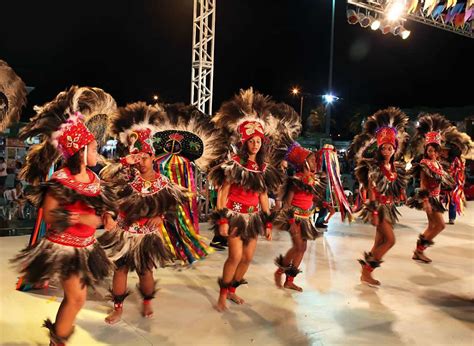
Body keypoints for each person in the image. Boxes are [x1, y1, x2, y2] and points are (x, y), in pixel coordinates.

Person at [11, 86, 117, 346]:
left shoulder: (93, 178)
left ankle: (57, 340)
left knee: (76, 299)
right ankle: (57, 341)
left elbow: (104, 203)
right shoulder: (61, 180)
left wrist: (108, 216)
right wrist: (81, 219)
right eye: (93, 149)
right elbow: (50, 216)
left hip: (86, 247)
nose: (97, 153)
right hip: (66, 248)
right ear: (80, 151)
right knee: (76, 298)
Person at [98, 102, 189, 324]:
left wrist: (162, 217)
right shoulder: (126, 176)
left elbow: (173, 205)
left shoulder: (163, 182)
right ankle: (117, 308)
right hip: (123, 231)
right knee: (120, 270)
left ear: (153, 157)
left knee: (145, 273)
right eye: (137, 158)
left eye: (145, 157)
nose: (141, 162)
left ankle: (147, 300)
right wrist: (124, 162)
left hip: (147, 235)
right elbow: (105, 179)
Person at [208, 88, 292, 311]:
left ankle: (233, 289)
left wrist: (267, 222)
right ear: (245, 142)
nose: (255, 145)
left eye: (258, 142)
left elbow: (264, 195)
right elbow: (223, 192)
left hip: (253, 217)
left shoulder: (264, 168)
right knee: (234, 256)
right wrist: (223, 219)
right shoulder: (234, 163)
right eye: (251, 141)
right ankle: (222, 295)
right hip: (235, 215)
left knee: (247, 258)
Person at [350, 108, 410, 286]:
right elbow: (370, 189)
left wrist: (401, 194)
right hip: (378, 208)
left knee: (380, 241)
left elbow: (395, 186)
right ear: (379, 148)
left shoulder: (396, 168)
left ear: (394, 149)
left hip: (390, 208)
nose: (386, 150)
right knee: (390, 240)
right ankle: (367, 270)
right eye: (383, 147)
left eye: (389, 148)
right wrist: (373, 209)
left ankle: (365, 274)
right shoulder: (374, 167)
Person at [407, 114, 471, 263]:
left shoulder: (438, 164)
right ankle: (419, 249)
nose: (433, 153)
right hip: (429, 198)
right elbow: (423, 183)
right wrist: (425, 201)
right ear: (426, 151)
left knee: (432, 226)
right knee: (440, 225)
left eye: (435, 151)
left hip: (435, 197)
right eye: (430, 151)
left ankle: (418, 251)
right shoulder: (425, 163)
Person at [274, 143, 325, 291]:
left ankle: (289, 280)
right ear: (304, 163)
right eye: (312, 160)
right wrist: (291, 222)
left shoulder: (314, 180)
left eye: (315, 160)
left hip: (306, 217)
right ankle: (280, 271)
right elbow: (288, 203)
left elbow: (310, 198)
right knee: (298, 246)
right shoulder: (295, 179)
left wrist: (323, 203)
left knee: (302, 248)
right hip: (294, 217)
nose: (315, 162)